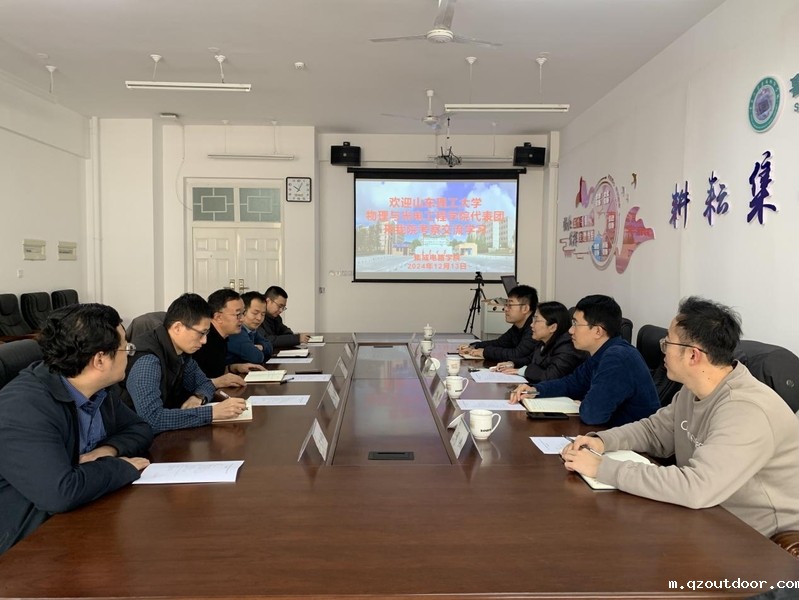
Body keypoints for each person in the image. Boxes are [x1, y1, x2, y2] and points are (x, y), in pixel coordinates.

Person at [561, 297, 799, 538]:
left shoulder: (747, 411)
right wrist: (602, 442)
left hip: (760, 538)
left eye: (667, 343)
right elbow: (654, 431)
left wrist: (602, 468)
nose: (662, 350)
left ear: (693, 355)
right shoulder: (693, 389)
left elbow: (697, 487)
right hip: (708, 514)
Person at [0, 304, 153, 555]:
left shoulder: (98, 389)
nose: (129, 355)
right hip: (26, 545)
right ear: (100, 360)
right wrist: (119, 466)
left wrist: (107, 450)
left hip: (79, 516)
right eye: (126, 348)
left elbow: (140, 428)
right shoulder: (23, 407)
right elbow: (59, 493)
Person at [510, 294, 658, 426]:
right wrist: (535, 390)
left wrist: (584, 403)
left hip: (630, 444)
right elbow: (571, 383)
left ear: (598, 331)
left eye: (576, 324)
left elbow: (592, 414)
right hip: (607, 433)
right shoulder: (601, 353)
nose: (570, 330)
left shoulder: (617, 358)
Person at [124, 293, 248, 433]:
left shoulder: (181, 352)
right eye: (201, 333)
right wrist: (212, 413)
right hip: (138, 438)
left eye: (207, 333)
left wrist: (198, 397)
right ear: (177, 327)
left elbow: (205, 384)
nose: (204, 341)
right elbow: (152, 420)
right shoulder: (148, 360)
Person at [495, 301, 586, 383]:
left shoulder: (567, 347)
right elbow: (531, 359)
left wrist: (523, 371)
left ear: (552, 327)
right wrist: (512, 363)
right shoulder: (544, 340)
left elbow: (551, 377)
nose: (531, 325)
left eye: (536, 320)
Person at [192, 289, 264, 384]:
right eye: (238, 314)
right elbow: (191, 383)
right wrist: (217, 382)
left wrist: (234, 367)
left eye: (243, 313)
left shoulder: (223, 337)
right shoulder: (202, 341)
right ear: (218, 317)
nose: (242, 319)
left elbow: (215, 371)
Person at [458, 285, 539, 363]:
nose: (505, 309)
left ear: (525, 308)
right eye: (506, 305)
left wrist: (485, 352)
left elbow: (517, 354)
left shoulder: (534, 328)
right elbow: (499, 343)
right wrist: (473, 346)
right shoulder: (517, 327)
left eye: (510, 305)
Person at [226, 291, 274, 364]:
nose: (259, 318)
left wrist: (262, 347)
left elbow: (269, 345)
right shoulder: (236, 331)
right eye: (255, 313)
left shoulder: (251, 330)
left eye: (263, 314)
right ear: (243, 312)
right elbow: (256, 357)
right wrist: (257, 350)